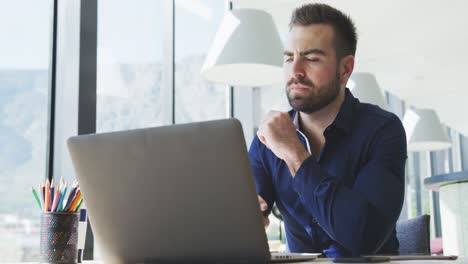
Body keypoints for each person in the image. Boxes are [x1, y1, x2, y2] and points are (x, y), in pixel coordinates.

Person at [249, 3, 407, 257]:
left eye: (311, 59)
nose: (296, 70)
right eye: (289, 57)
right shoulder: (267, 139)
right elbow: (249, 209)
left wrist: (295, 154)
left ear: (345, 69)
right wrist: (248, 217)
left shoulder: (383, 130)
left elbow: (364, 237)